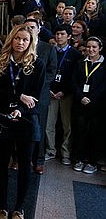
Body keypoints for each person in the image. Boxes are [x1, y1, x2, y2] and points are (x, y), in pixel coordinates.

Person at [0, 24, 45, 219]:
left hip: (27, 120)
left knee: (24, 167)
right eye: (17, 38)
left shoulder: (37, 64)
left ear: (31, 43)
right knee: (1, 163)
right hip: (3, 118)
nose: (21, 43)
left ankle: (19, 208)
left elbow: (36, 97)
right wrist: (18, 96)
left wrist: (21, 108)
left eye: (25, 40)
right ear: (11, 39)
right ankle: (3, 205)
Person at [45, 24, 82, 165]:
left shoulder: (75, 54)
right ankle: (50, 150)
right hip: (51, 92)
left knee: (67, 125)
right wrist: (48, 89)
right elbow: (46, 72)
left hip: (66, 94)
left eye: (62, 34)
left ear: (69, 36)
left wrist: (65, 91)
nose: (59, 37)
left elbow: (75, 76)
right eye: (57, 34)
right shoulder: (50, 50)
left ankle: (66, 152)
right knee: (49, 124)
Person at [24, 18, 57, 175]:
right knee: (21, 127)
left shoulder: (48, 48)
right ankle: (19, 158)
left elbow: (52, 71)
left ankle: (38, 160)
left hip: (41, 95)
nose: (29, 30)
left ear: (38, 29)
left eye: (32, 27)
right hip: (23, 94)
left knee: (40, 128)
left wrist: (38, 84)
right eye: (27, 27)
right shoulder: (21, 46)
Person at [71, 37, 106, 174]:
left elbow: (104, 86)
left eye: (94, 47)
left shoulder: (104, 65)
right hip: (81, 103)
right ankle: (79, 159)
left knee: (95, 133)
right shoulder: (80, 63)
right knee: (80, 132)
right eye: (88, 47)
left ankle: (92, 162)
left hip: (97, 105)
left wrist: (92, 98)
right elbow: (74, 81)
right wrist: (81, 96)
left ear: (100, 49)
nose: (91, 50)